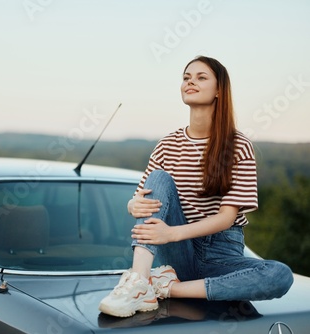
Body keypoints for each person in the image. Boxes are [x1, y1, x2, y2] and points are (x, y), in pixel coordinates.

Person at [98, 55, 294, 318]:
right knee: (159, 177)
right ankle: (138, 281)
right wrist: (132, 204)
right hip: (179, 254)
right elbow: (142, 201)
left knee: (280, 275)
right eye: (186, 77)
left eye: (201, 77)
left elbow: (226, 218)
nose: (190, 82)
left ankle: (166, 287)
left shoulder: (238, 145)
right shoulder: (167, 144)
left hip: (221, 253)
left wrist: (172, 234)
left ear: (219, 90)